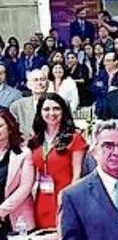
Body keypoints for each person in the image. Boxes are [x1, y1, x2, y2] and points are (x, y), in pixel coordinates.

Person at [29, 92, 87, 229]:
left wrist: (68, 200)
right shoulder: (35, 141)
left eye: (56, 108)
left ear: (63, 111)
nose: (52, 113)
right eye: (46, 109)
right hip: (41, 199)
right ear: (40, 112)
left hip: (66, 198)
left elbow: (77, 175)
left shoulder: (75, 138)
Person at [0, 107, 35, 240]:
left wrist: (1, 211)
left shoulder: (24, 153)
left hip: (17, 220)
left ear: (10, 128)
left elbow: (25, 187)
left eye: (0, 126)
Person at [10, 68, 48, 140]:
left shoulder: (57, 103)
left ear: (47, 83)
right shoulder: (17, 106)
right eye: (36, 80)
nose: (40, 83)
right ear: (29, 85)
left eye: (42, 79)